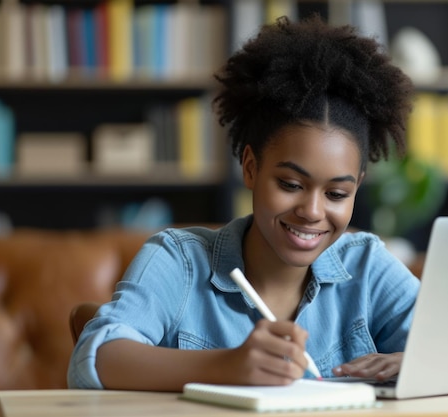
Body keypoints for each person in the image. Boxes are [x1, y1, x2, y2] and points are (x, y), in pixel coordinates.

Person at [67, 14, 419, 390]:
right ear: (250, 168)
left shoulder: (367, 268)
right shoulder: (178, 262)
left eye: (336, 194)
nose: (313, 212)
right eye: (290, 183)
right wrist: (225, 366)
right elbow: (96, 360)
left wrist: (416, 365)